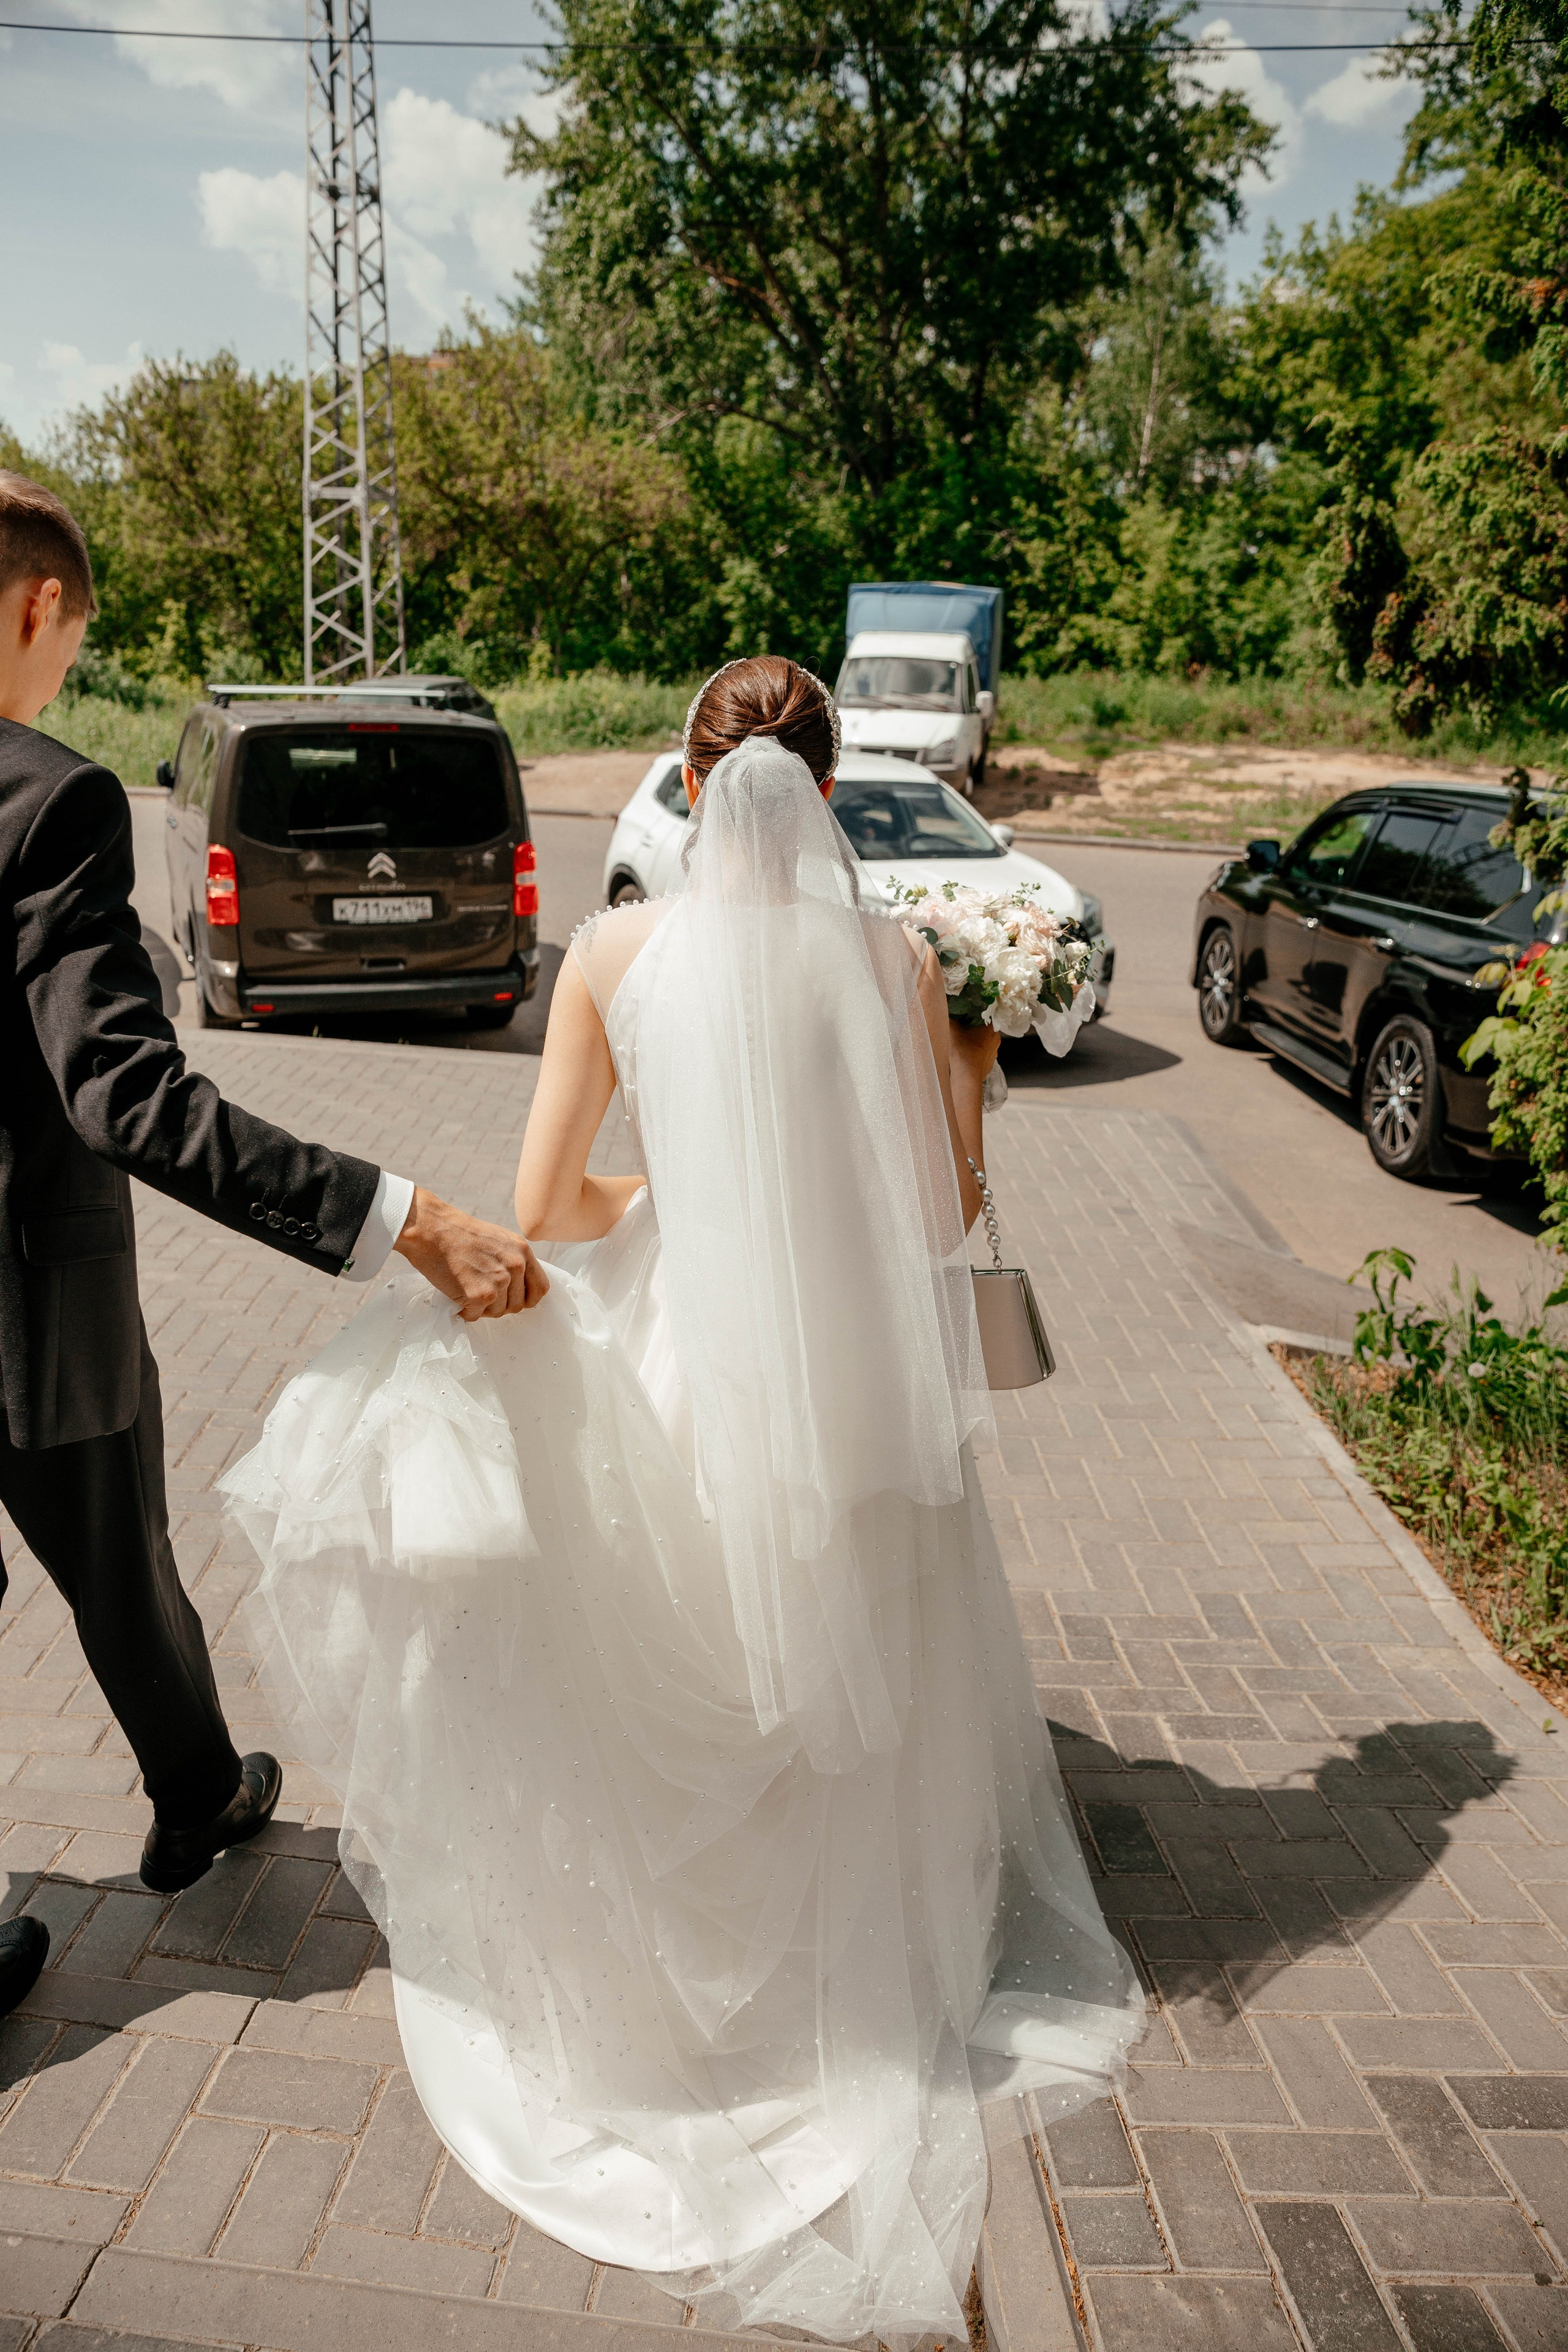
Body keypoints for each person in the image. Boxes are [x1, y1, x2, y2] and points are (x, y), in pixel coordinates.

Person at [226, 656, 1141, 2348]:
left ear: (696, 781)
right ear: (833, 784)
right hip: (857, 1388)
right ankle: (848, 1955)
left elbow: (547, 1206)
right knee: (857, 1641)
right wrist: (972, 1069)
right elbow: (937, 1216)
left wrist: (676, 1187)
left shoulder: (619, 954)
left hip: (680, 1365)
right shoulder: (896, 959)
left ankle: (671, 1990)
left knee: (680, 1634)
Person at [0, 470, 547, 2022]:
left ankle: (193, 1783)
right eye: (73, 641)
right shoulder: (49, 797)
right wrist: (405, 1215)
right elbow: (124, 1095)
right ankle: (198, 1792)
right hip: (35, 1301)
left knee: (118, 1570)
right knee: (120, 1563)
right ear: (40, 606)